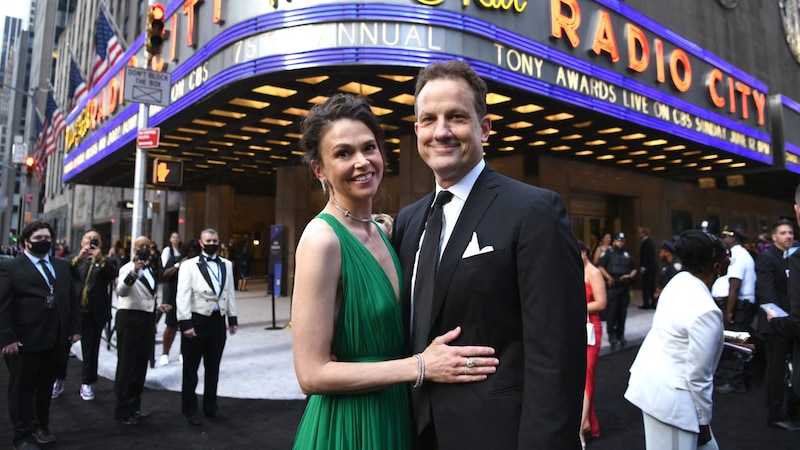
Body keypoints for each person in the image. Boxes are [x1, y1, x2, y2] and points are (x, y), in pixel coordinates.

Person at [392, 60, 585, 449]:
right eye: (429, 119)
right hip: (409, 432)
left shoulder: (534, 211)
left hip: (495, 436)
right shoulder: (407, 222)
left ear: (484, 128)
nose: (441, 131)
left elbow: (557, 358)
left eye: (457, 117)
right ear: (417, 131)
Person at [291, 92, 499, 449]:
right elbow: (310, 375)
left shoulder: (388, 231)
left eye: (369, 148)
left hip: (396, 414)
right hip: (348, 425)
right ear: (319, 170)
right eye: (343, 153)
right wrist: (419, 367)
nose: (362, 162)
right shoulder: (322, 239)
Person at [625, 229, 730, 450]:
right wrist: (703, 422)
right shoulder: (707, 311)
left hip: (656, 386)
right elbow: (698, 375)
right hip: (673, 402)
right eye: (726, 254)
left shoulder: (679, 280)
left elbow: (678, 331)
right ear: (717, 266)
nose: (731, 258)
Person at [0, 221, 81, 449]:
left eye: (48, 237)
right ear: (27, 241)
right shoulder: (11, 268)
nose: (44, 241)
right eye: (38, 238)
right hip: (23, 340)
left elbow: (71, 299)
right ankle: (22, 436)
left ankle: (41, 427)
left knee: (45, 386)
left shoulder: (62, 266)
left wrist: (74, 328)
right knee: (21, 390)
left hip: (54, 338)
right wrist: (6, 337)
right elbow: (3, 306)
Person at [177, 228, 238, 426]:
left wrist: (232, 318)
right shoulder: (189, 266)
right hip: (196, 320)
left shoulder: (227, 265)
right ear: (201, 243)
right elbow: (183, 295)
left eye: (215, 240)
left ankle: (211, 407)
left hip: (217, 323)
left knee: (213, 368)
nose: (212, 243)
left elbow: (229, 292)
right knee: (191, 369)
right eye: (208, 240)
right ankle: (189, 409)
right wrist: (185, 324)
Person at [52, 230, 119, 402]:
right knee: (62, 348)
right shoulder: (72, 259)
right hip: (72, 312)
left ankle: (87, 383)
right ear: (81, 242)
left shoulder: (106, 261)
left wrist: (100, 259)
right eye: (88, 239)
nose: (91, 242)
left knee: (91, 350)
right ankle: (58, 380)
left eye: (94, 239)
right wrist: (79, 258)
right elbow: (61, 272)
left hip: (93, 313)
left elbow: (112, 275)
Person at [114, 235, 170, 425]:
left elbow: (148, 296)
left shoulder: (151, 270)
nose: (145, 249)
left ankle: (134, 406)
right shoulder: (127, 269)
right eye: (141, 246)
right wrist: (134, 273)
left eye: (147, 245)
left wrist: (157, 308)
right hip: (129, 318)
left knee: (140, 365)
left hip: (146, 320)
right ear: (133, 248)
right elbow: (121, 291)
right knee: (126, 365)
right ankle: (122, 410)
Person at [756, 219, 800, 430]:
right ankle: (775, 415)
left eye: (790, 232)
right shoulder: (767, 258)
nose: (788, 236)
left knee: (791, 371)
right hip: (775, 325)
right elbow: (768, 293)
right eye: (783, 233)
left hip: (790, 323)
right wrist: (782, 321)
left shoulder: (791, 257)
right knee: (776, 370)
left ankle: (791, 411)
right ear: (774, 237)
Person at [711, 225, 756, 394]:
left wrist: (729, 310)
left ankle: (735, 381)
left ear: (734, 238)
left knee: (735, 344)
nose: (723, 240)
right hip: (738, 306)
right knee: (740, 343)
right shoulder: (742, 253)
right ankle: (746, 379)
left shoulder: (737, 255)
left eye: (725, 237)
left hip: (736, 307)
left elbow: (735, 284)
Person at [579, 240, 606, 449]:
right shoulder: (574, 270)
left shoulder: (594, 273)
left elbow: (601, 302)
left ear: (584, 253)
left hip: (591, 328)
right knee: (579, 374)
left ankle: (580, 427)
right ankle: (589, 423)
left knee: (587, 374)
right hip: (577, 327)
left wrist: (576, 306)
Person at [597, 232, 638, 347]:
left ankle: (621, 333)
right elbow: (600, 266)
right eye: (619, 241)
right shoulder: (608, 253)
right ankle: (611, 334)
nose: (620, 243)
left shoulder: (626, 255)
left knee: (622, 311)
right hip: (613, 285)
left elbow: (634, 268)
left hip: (624, 286)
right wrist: (609, 278)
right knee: (612, 310)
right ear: (614, 241)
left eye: (622, 241)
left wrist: (630, 275)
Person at [159, 232, 182, 367]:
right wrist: (177, 266)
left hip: (183, 291)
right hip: (171, 288)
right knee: (171, 322)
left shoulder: (182, 252)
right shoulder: (168, 251)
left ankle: (182, 353)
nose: (175, 239)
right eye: (173, 237)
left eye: (177, 237)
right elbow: (165, 271)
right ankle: (165, 353)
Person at [638, 227, 657, 310]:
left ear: (644, 233)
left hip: (648, 268)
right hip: (651, 267)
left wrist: (643, 267)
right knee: (651, 286)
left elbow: (646, 256)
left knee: (647, 286)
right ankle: (653, 302)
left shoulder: (646, 242)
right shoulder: (649, 242)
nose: (638, 234)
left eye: (640, 233)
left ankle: (647, 303)